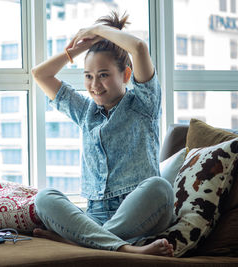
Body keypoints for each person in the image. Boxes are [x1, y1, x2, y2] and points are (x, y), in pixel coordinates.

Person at [31, 12, 175, 257]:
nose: (95, 85)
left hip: (139, 211)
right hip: (95, 215)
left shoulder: (143, 105)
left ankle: (85, 242)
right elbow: (40, 74)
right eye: (88, 76)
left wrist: (96, 30)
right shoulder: (85, 111)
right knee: (44, 198)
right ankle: (120, 247)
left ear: (126, 75)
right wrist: (78, 49)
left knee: (160, 187)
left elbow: (139, 47)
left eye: (104, 75)